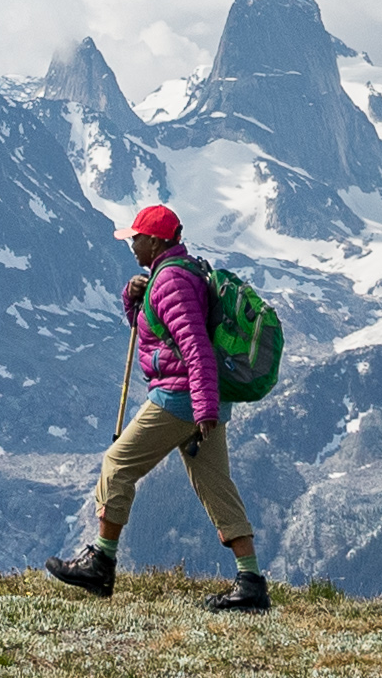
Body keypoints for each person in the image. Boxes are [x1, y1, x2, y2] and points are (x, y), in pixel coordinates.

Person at [41, 205, 271, 613]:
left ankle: (101, 562)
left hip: (181, 399)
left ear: (156, 241)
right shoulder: (172, 277)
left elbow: (195, 347)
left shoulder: (171, 283)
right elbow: (153, 333)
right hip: (202, 399)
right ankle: (250, 581)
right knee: (216, 485)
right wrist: (133, 299)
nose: (131, 244)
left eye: (137, 238)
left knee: (117, 464)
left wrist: (202, 410)